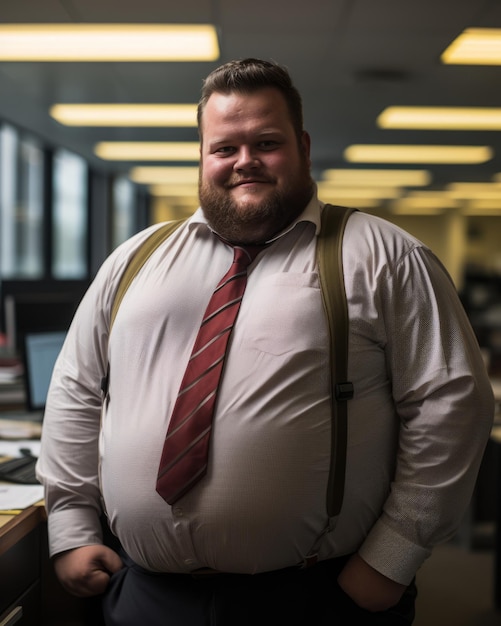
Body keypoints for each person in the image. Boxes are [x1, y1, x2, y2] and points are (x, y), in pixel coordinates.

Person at [37, 58, 495, 626]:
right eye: (224, 147)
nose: (244, 161)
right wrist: (72, 527)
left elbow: (451, 406)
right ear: (202, 155)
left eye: (266, 142)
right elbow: (76, 392)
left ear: (302, 146)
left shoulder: (383, 255)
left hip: (316, 597)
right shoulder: (136, 260)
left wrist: (394, 556)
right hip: (147, 593)